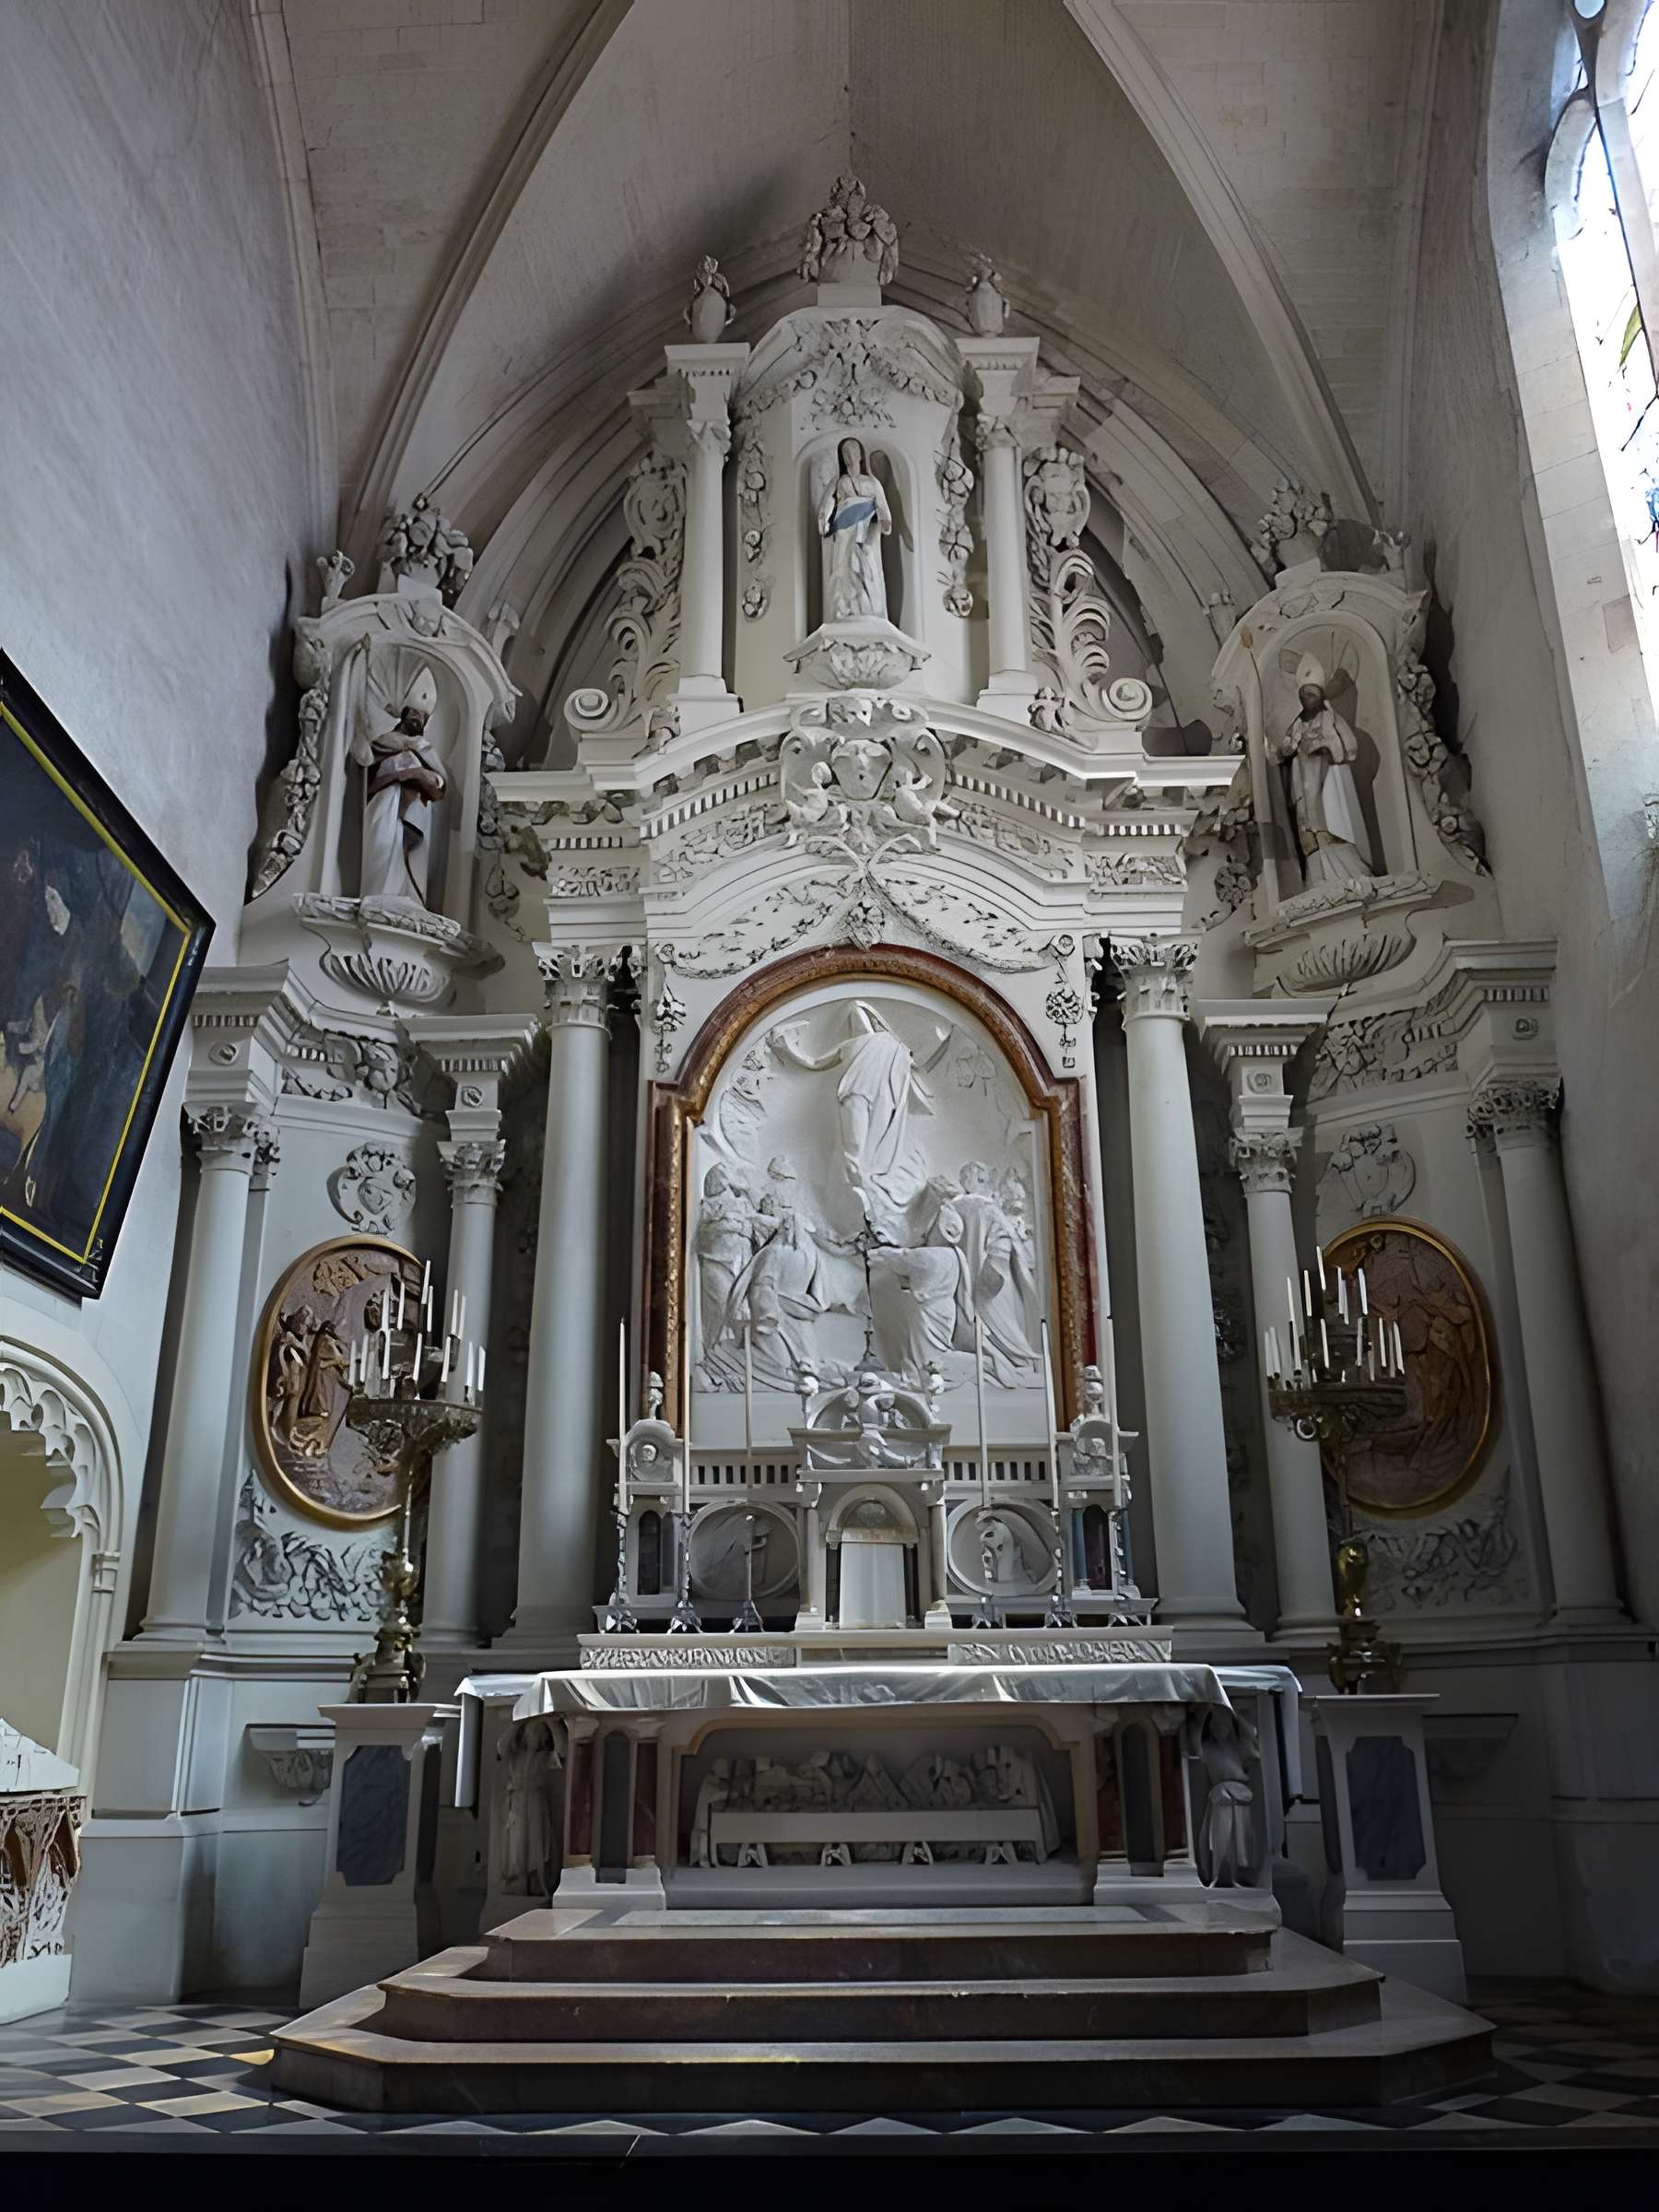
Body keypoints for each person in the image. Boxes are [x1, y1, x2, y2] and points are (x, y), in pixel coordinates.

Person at [348, 655, 449, 906]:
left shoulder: (425, 749)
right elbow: (365, 763)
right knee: (381, 846)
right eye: (413, 713)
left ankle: (405, 900)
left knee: (408, 855)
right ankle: (375, 897)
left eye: (422, 717)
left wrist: (417, 774)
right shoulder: (385, 742)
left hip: (414, 811)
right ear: (403, 715)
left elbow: (440, 784)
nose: (417, 718)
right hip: (383, 802)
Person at [1269, 657, 1373, 888]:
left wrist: (1324, 746)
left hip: (1326, 781)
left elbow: (1350, 747)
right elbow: (1282, 750)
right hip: (1302, 782)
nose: (1308, 699)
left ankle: (1348, 875)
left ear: (1320, 696)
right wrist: (1280, 746)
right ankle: (1319, 880)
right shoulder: (1297, 723)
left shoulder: (1330, 717)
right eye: (1305, 694)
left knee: (1329, 828)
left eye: (1313, 694)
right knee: (1308, 830)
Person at [817, 435, 892, 621]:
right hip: (846, 529)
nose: (850, 454)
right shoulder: (838, 481)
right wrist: (824, 522)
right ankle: (846, 608)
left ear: (861, 454)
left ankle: (869, 609)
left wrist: (885, 522)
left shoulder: (873, 482)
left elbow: (882, 506)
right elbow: (827, 504)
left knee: (868, 564)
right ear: (841, 456)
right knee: (846, 564)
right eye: (845, 451)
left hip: (868, 530)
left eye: (854, 449)